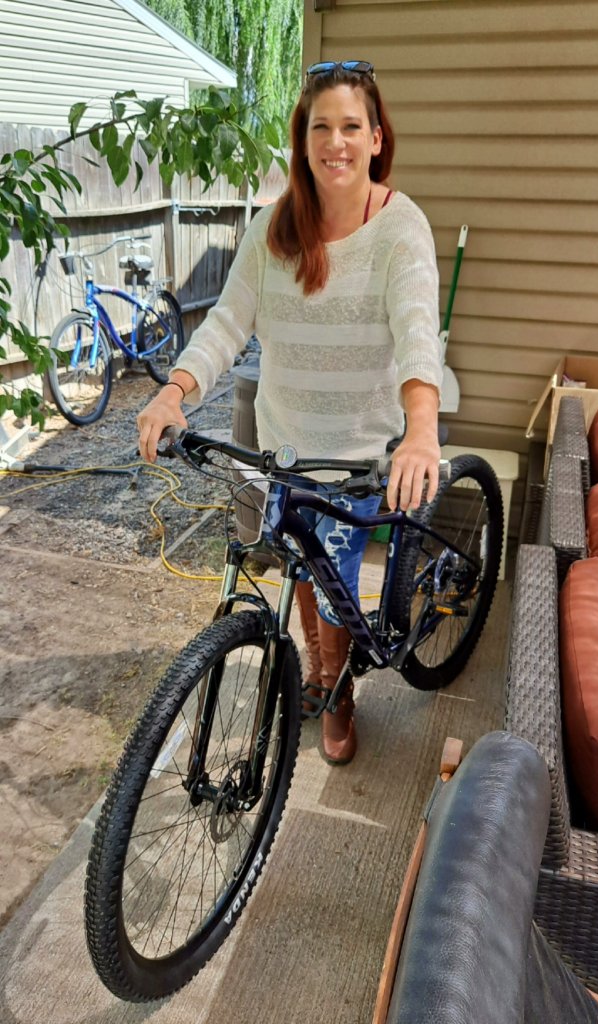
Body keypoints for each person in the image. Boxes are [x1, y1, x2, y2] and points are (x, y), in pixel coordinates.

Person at [137, 59, 443, 766]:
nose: (336, 142)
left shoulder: (400, 227)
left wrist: (422, 430)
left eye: (351, 127)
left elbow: (417, 331)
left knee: (333, 580)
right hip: (284, 445)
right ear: (303, 141)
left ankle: (338, 690)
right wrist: (174, 390)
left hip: (356, 451)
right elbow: (225, 323)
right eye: (320, 127)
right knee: (301, 568)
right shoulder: (274, 227)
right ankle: (321, 671)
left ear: (376, 139)